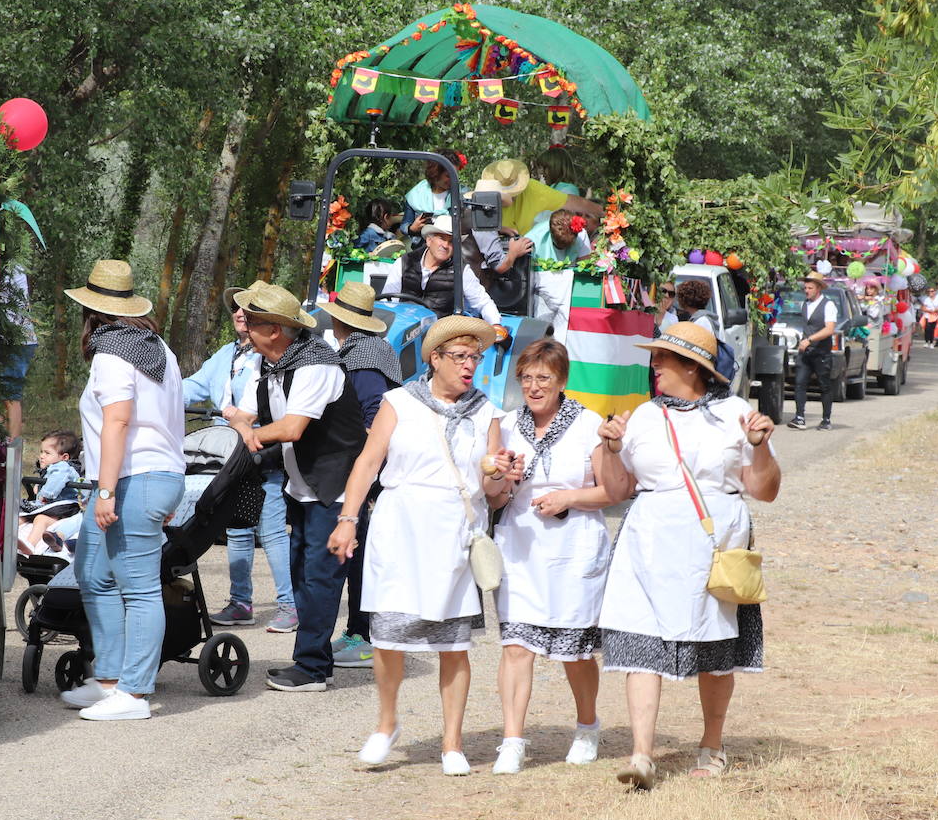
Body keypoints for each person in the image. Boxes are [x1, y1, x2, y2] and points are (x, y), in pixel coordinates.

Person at [599, 322, 781, 789]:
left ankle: (712, 746)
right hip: (648, 540)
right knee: (641, 639)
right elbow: (618, 489)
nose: (654, 364)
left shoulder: (735, 413)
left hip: (713, 543)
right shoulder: (641, 417)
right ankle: (641, 755)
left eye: (661, 358)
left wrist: (760, 449)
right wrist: (610, 447)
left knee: (716, 645)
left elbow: (765, 490)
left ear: (691, 367)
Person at [328, 316, 509, 776]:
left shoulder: (487, 411)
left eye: (476, 357)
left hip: (453, 530)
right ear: (435, 359)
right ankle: (386, 724)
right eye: (461, 357)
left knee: (454, 643)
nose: (470, 366)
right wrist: (348, 520)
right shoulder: (398, 402)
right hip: (400, 526)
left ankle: (452, 743)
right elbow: (368, 463)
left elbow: (492, 489)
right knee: (388, 636)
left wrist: (500, 474)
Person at [488, 340, 633, 774]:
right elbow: (494, 500)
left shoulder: (590, 424)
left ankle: (588, 725)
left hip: (574, 546)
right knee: (516, 645)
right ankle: (512, 740)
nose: (534, 387)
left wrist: (569, 496)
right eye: (527, 378)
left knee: (574, 651)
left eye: (544, 378)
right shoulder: (507, 425)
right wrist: (503, 482)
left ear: (562, 381)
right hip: (520, 546)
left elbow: (614, 491)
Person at [60, 260, 185, 722]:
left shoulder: (112, 354)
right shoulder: (158, 350)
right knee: (94, 574)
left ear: (90, 312)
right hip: (146, 477)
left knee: (138, 589)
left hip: (132, 479)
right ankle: (109, 679)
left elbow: (118, 421)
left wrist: (107, 493)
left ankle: (134, 693)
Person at [227, 283, 367, 692]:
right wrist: (245, 427)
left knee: (321, 578)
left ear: (274, 331)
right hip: (304, 485)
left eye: (251, 322)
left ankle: (310, 670)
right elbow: (243, 415)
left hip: (336, 487)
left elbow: (291, 427)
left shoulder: (316, 365)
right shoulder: (267, 364)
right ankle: (314, 663)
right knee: (303, 575)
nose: (243, 327)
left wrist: (252, 432)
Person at [181, 282, 297, 633]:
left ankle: (290, 606)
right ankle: (241, 603)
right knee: (237, 529)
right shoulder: (224, 355)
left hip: (264, 452)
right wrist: (155, 390)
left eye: (247, 308)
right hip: (228, 456)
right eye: (235, 307)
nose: (239, 313)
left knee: (274, 530)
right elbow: (192, 386)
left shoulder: (272, 356)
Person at [319, 281, 404, 670]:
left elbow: (373, 414)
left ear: (341, 321)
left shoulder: (365, 355)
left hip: (372, 469)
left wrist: (364, 471)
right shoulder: (368, 349)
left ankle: (365, 637)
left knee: (363, 554)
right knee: (360, 554)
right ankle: (358, 631)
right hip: (372, 467)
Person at [381, 215, 502, 327]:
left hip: (439, 334)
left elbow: (482, 302)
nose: (445, 245)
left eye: (451, 241)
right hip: (403, 329)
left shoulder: (461, 271)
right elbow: (387, 303)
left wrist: (496, 324)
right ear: (429, 240)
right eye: (441, 238)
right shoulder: (404, 262)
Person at [479, 157, 601, 238]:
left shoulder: (532, 188)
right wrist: (497, 229)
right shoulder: (484, 192)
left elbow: (570, 201)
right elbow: (466, 222)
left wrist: (607, 212)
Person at [787, 272, 838, 431]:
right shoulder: (805, 304)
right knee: (800, 383)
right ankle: (800, 417)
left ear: (818, 289)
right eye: (805, 288)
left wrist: (810, 339)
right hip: (805, 352)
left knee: (824, 385)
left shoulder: (828, 305)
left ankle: (826, 419)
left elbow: (829, 329)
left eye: (810, 288)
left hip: (821, 352)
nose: (806, 291)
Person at [19, 429, 82, 554]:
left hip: (63, 508)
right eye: (41, 451)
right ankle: (6, 539)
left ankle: (30, 545)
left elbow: (56, 482)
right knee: (19, 518)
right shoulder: (51, 468)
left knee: (41, 519)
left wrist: (44, 494)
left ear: (64, 457)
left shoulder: (63, 467)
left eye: (47, 453)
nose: (42, 456)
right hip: (52, 508)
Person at [0, 264, 38, 439]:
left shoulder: (6, 267)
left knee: (10, 397)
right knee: (4, 396)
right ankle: (1, 445)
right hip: (19, 339)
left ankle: (10, 450)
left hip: (14, 341)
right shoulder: (16, 265)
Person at [402, 148, 466, 254]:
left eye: (455, 175)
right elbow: (404, 225)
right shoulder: (416, 195)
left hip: (451, 251)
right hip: (422, 250)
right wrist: (412, 229)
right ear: (436, 173)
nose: (452, 179)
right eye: (448, 175)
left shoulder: (462, 194)